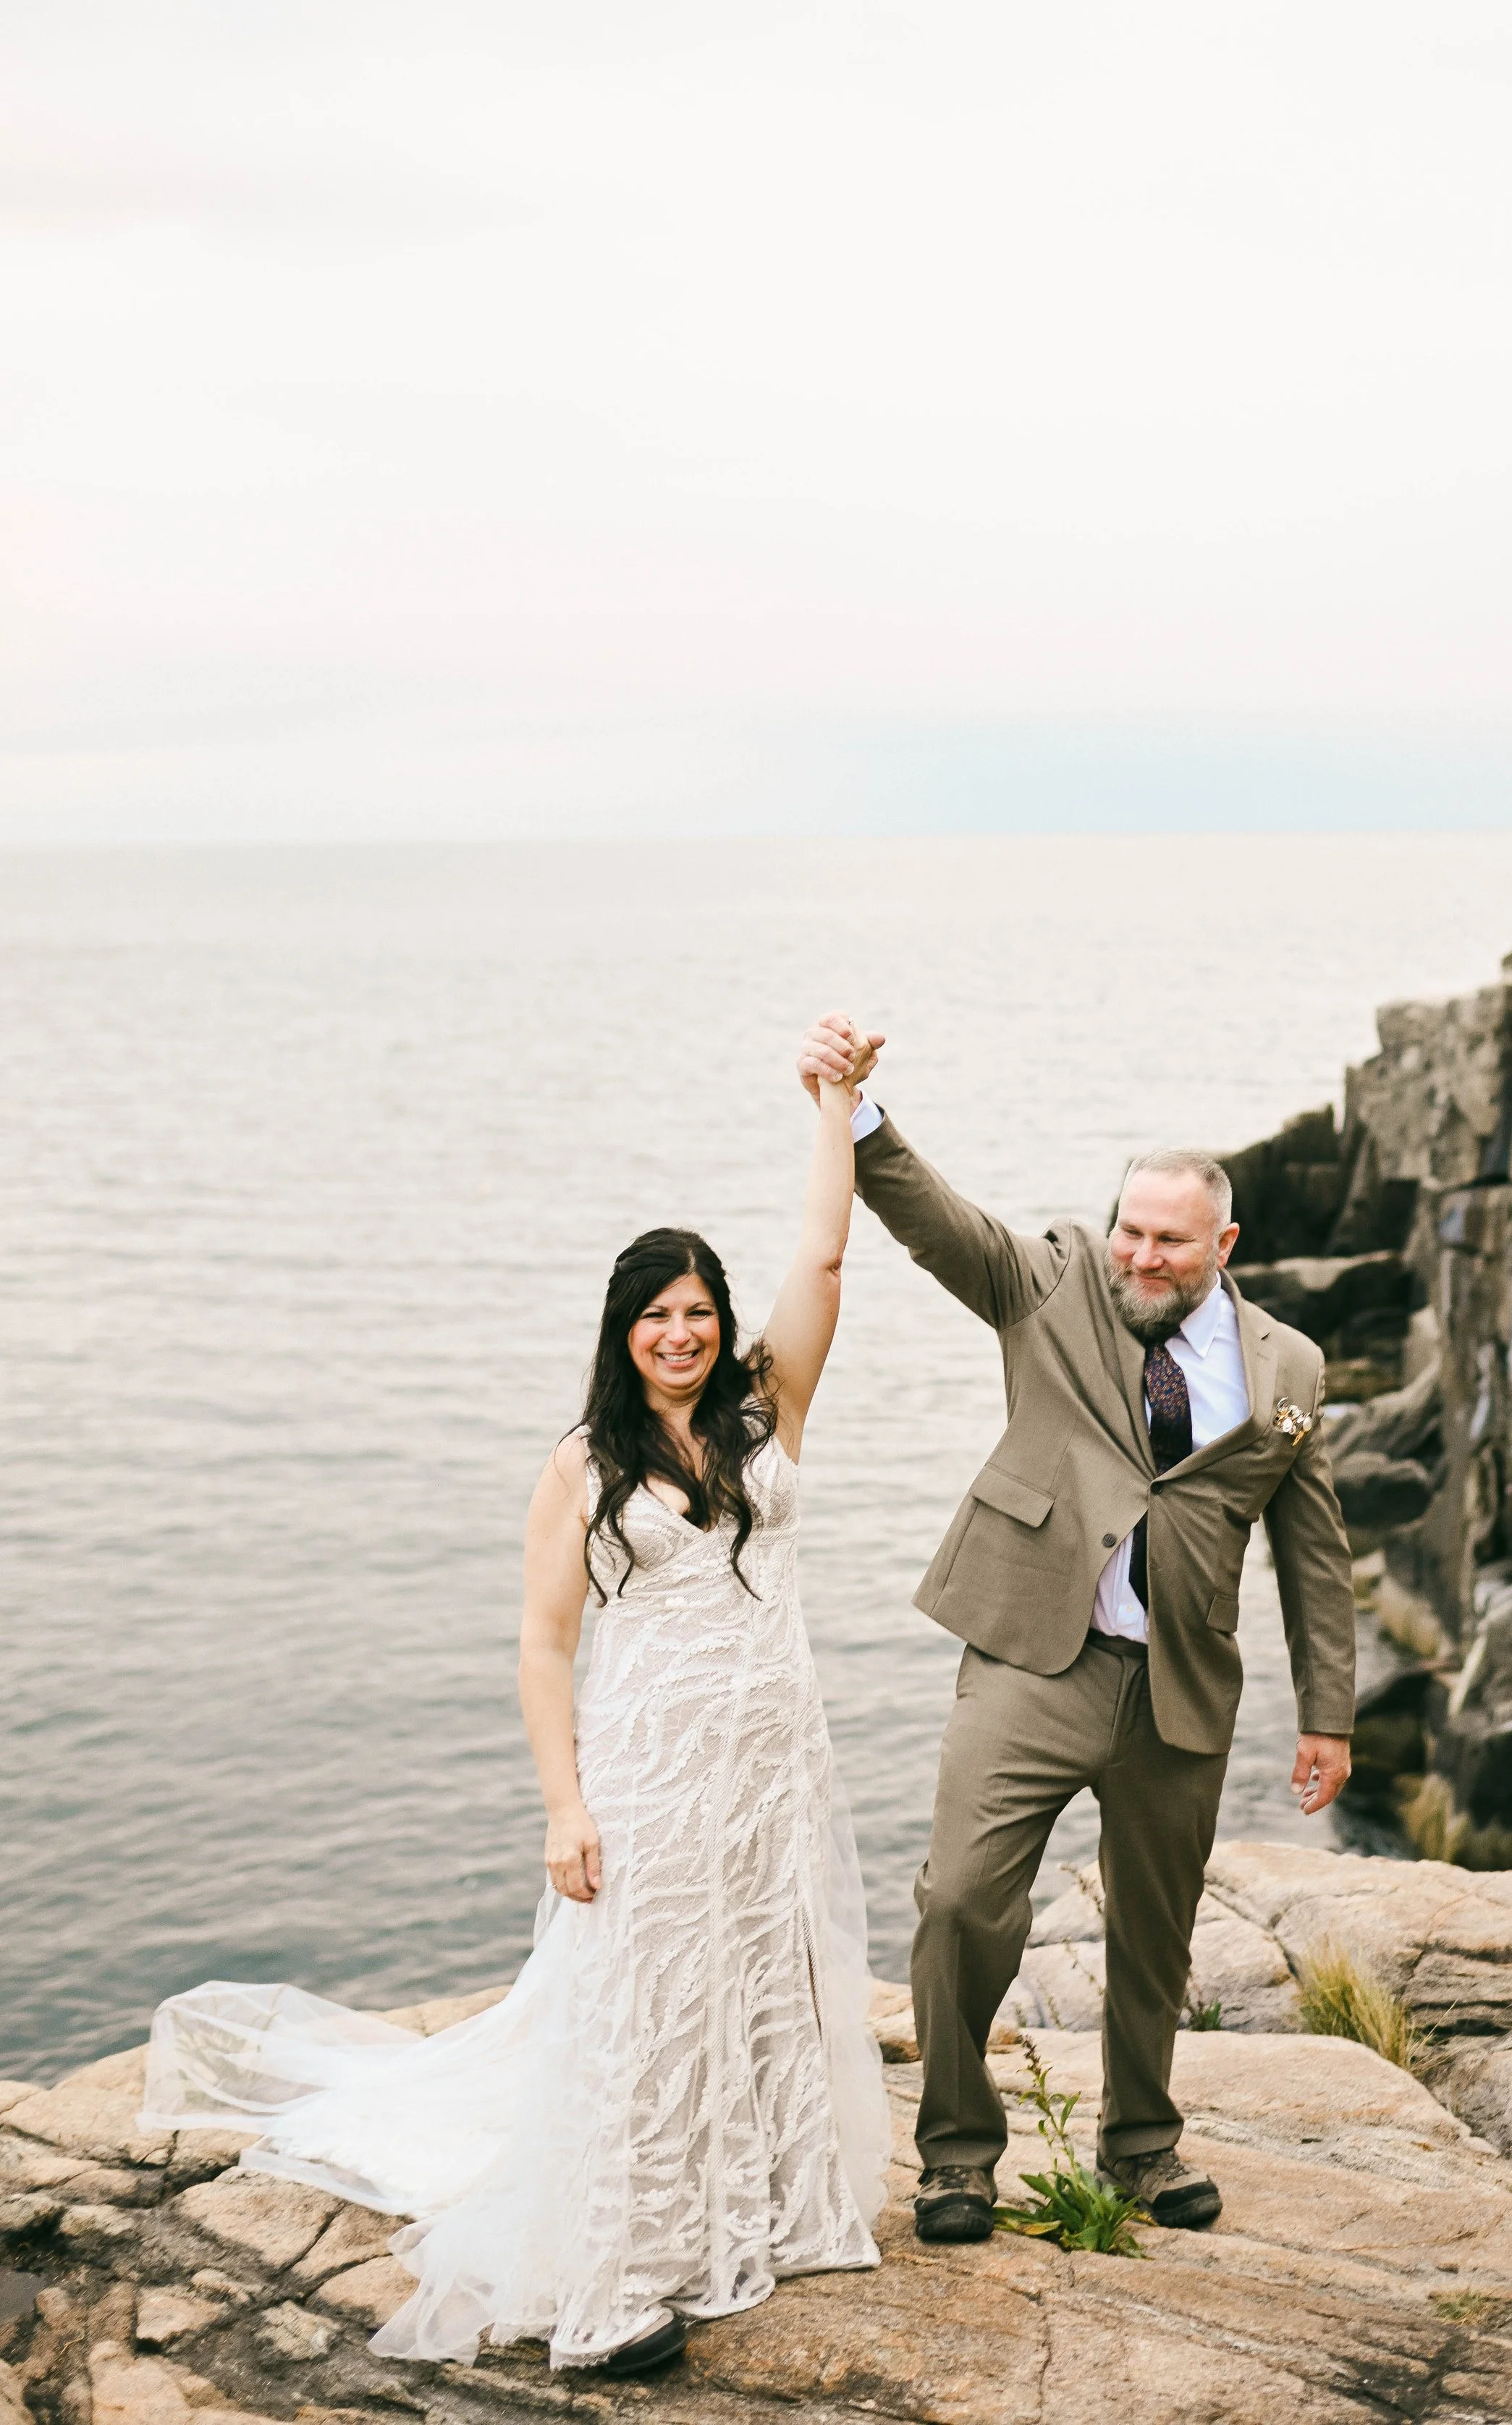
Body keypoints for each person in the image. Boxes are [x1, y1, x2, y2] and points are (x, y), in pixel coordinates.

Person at [140, 1040, 890, 2378]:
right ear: (621, 1332)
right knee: (643, 2008)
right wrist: (565, 1803)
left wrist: (837, 1109)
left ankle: (753, 2210)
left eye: (698, 1310)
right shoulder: (585, 1462)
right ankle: (608, 2281)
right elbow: (545, 1648)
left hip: (775, 1764)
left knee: (757, 1977)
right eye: (654, 1315)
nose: (681, 1333)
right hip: (652, 1768)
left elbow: (826, 1262)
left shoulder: (769, 1413)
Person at [796, 1013, 1356, 2245]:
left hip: (1181, 1685)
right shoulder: (1051, 1280)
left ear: (1224, 1243)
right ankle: (955, 2154)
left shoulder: (1292, 1371)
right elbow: (939, 1224)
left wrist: (1329, 1715)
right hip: (1031, 1656)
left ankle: (1143, 2148)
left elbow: (1313, 1552)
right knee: (959, 1903)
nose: (1142, 1255)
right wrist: (860, 1113)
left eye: (1168, 1239)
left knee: (1154, 1934)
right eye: (1131, 1229)